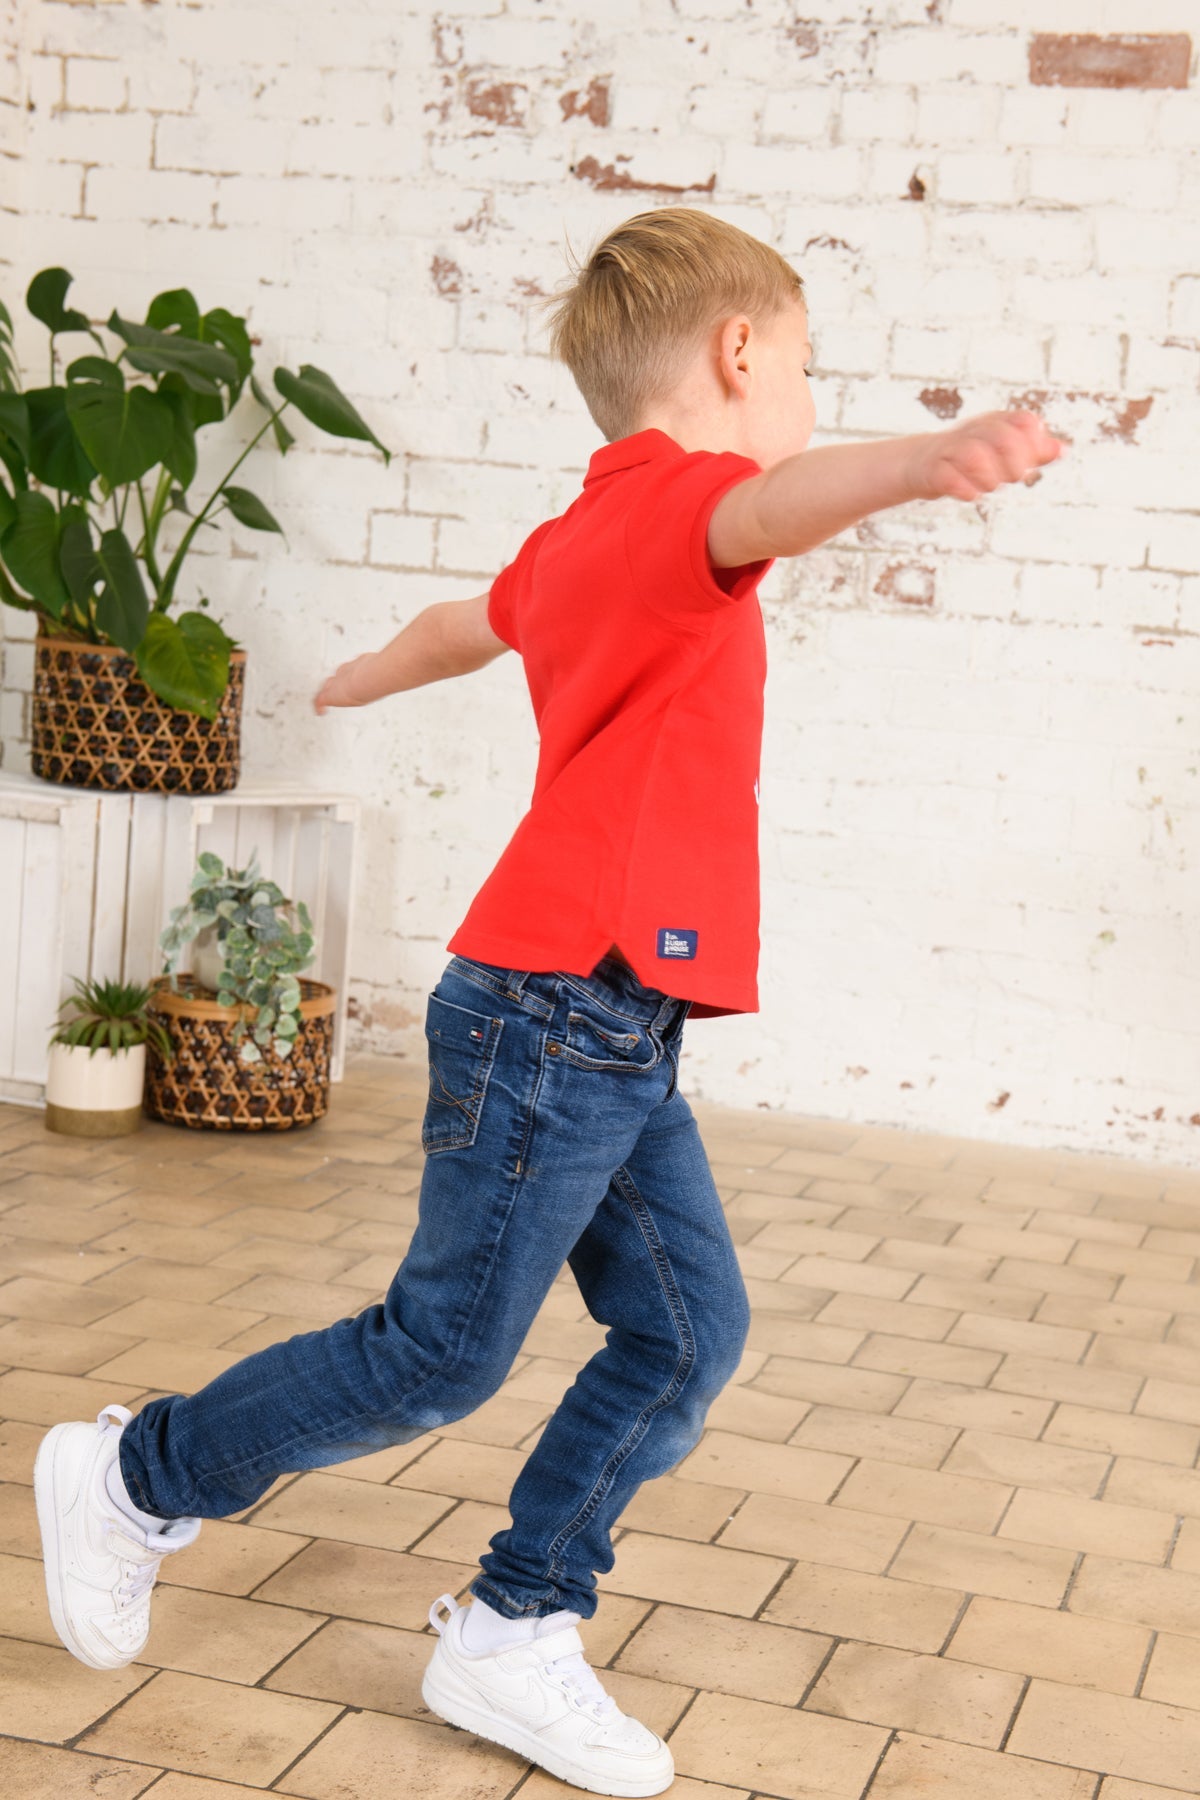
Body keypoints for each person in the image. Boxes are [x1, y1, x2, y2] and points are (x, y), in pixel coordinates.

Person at [34, 207, 1064, 1797]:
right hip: (556, 1010)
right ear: (738, 353)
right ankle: (134, 1474)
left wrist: (377, 668)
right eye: (801, 364)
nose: (802, 394)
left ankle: (513, 1627)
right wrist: (926, 458)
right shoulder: (694, 512)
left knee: (682, 1333)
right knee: (442, 1352)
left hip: (606, 1018)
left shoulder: (586, 534)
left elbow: (471, 624)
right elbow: (781, 491)